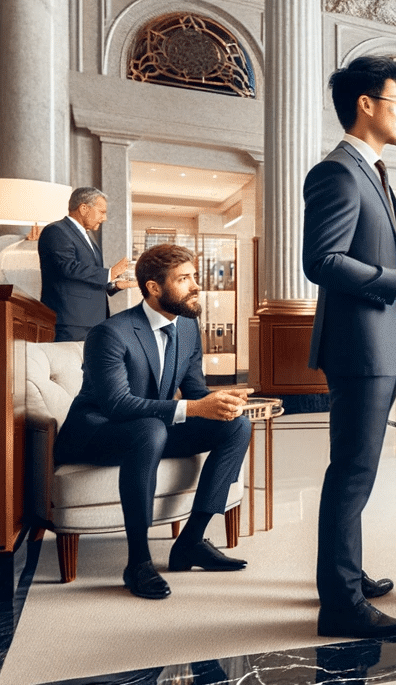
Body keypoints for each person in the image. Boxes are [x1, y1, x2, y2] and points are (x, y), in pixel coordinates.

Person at [304, 56, 396, 639]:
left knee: (358, 469)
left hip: (378, 345)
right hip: (360, 346)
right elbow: (322, 262)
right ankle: (339, 602)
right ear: (367, 105)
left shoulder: (372, 171)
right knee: (353, 471)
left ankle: (348, 575)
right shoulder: (337, 172)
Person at [54, 244, 250, 601]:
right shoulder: (111, 333)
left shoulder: (188, 326)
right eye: (184, 279)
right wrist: (194, 409)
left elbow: (193, 390)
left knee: (237, 425)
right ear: (154, 288)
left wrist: (222, 403)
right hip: (97, 432)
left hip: (150, 428)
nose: (195, 286)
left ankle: (191, 541)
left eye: (194, 277)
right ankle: (139, 563)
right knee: (150, 428)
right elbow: (117, 404)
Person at [38, 187, 135, 341]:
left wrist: (115, 285)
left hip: (92, 321)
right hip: (71, 322)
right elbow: (67, 268)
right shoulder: (56, 231)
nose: (105, 218)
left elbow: (87, 278)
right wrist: (110, 273)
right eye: (102, 212)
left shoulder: (87, 237)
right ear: (83, 208)